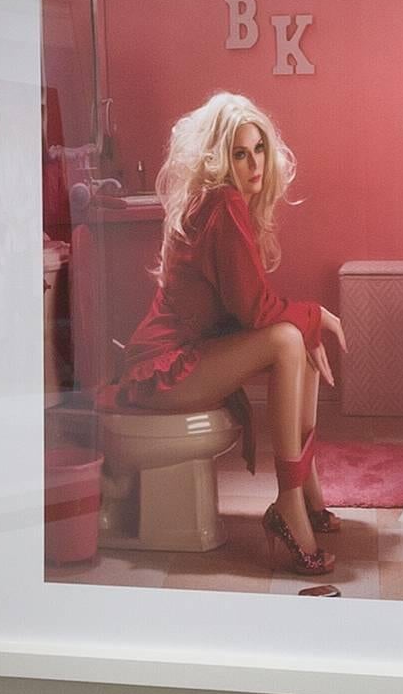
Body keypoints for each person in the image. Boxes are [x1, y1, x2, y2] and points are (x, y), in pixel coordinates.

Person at [118, 91, 341, 577]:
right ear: (220, 159)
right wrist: (317, 315)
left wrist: (305, 328)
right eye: (240, 153)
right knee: (288, 337)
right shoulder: (221, 205)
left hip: (186, 356)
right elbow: (258, 310)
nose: (254, 163)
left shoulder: (223, 204)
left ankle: (305, 493)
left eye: (258, 149)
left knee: (294, 340)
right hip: (160, 370)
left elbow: (251, 310)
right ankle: (288, 501)